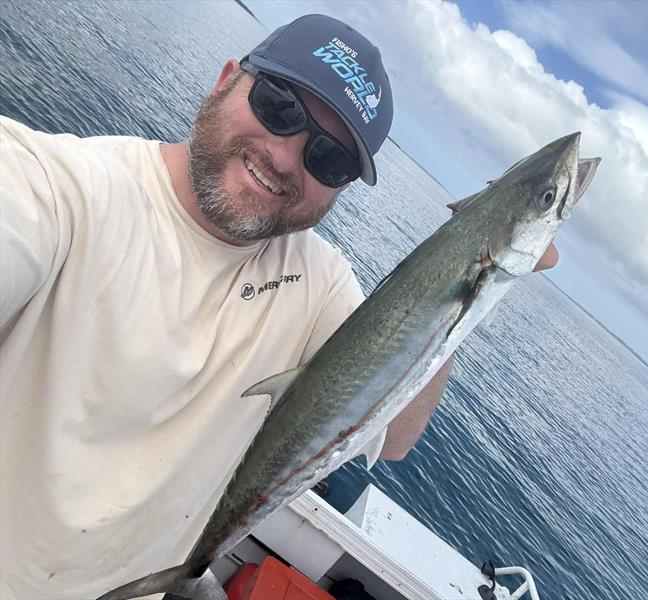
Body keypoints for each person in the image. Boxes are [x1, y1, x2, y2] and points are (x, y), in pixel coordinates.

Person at [0, 13, 557, 599]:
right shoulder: (56, 187)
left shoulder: (318, 282)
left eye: (330, 158)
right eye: (280, 106)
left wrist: (478, 279)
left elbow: (392, 439)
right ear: (225, 80)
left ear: (342, 187)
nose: (288, 157)